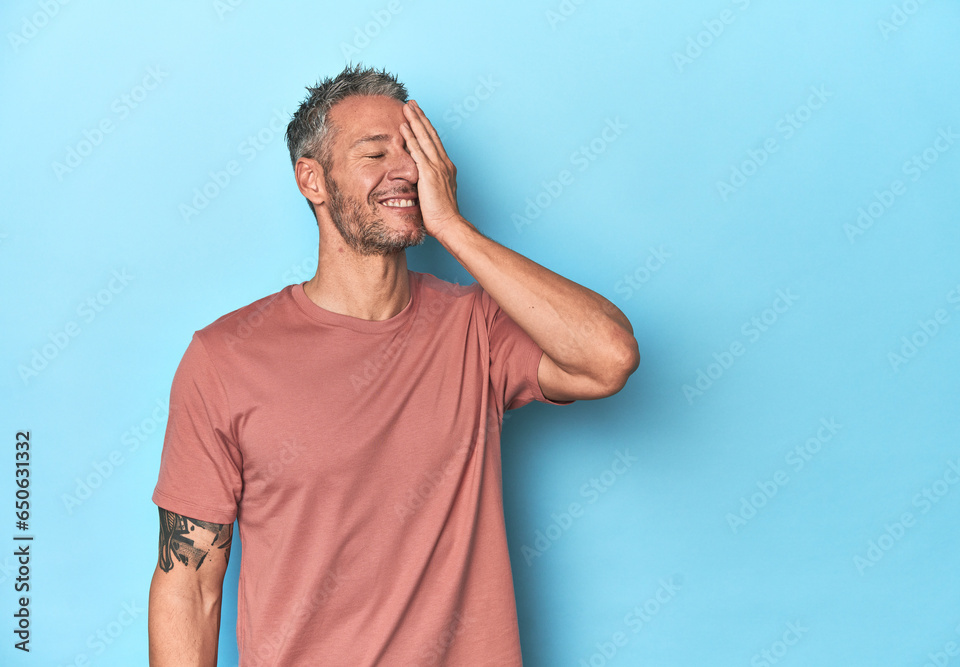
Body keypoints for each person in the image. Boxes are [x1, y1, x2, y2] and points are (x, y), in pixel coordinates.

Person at [148, 63, 639, 666]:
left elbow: (609, 357)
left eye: (413, 152)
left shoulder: (475, 329)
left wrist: (454, 228)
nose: (405, 170)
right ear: (313, 180)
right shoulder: (225, 357)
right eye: (375, 153)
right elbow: (190, 584)